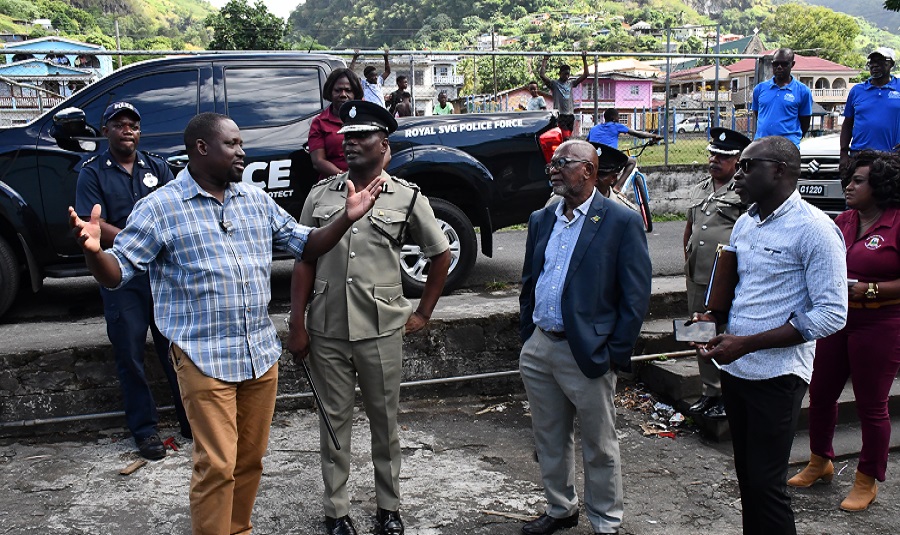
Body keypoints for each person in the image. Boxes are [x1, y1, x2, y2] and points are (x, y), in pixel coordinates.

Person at [68, 112, 387, 535]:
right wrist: (93, 252)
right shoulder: (161, 208)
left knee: (250, 460)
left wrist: (346, 218)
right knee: (217, 464)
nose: (243, 151)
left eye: (241, 144)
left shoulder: (254, 200)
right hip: (202, 357)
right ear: (202, 148)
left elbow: (306, 244)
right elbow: (118, 272)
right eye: (233, 144)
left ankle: (238, 529)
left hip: (259, 356)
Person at [288, 100, 451, 535]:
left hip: (381, 328)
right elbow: (305, 259)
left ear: (384, 144)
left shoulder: (407, 196)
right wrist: (297, 322)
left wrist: (424, 312)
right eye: (347, 135)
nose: (351, 142)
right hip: (326, 328)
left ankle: (388, 508)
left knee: (385, 422)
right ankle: (336, 511)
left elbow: (441, 255)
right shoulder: (321, 195)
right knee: (333, 424)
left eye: (362, 136)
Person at [696, 136, 847, 535]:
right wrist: (712, 317)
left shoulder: (815, 230)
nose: (739, 173)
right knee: (748, 478)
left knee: (767, 485)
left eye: (748, 166)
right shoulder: (746, 222)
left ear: (779, 171)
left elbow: (832, 314)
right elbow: (742, 289)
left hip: (777, 377)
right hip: (736, 370)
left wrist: (747, 342)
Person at [519, 139, 652, 535]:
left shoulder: (619, 221)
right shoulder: (542, 218)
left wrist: (615, 353)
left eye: (564, 163)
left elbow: (635, 295)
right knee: (549, 437)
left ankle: (606, 522)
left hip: (588, 352)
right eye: (552, 164)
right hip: (541, 346)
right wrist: (529, 335)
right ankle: (561, 509)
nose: (555, 169)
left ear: (589, 171)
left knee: (599, 445)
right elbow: (530, 281)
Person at [74, 101, 190, 461]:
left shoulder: (156, 166)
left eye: (133, 125)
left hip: (161, 274)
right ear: (105, 130)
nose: (128, 130)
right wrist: (138, 237)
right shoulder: (91, 172)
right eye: (119, 124)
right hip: (122, 277)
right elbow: (92, 222)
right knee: (130, 355)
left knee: (176, 351)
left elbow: (177, 209)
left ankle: (191, 421)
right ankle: (145, 430)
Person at [788, 150, 900, 512]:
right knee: (820, 393)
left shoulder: (898, 223)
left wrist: (871, 290)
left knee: (872, 405)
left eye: (858, 180)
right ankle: (820, 461)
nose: (848, 185)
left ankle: (867, 480)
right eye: (849, 179)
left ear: (880, 186)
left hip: (881, 323)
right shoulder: (844, 221)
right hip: (838, 320)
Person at [682, 127, 752, 420]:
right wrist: (687, 256)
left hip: (727, 277)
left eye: (723, 156)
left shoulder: (744, 191)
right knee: (699, 333)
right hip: (698, 274)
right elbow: (690, 227)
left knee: (724, 334)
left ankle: (727, 393)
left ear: (737, 161)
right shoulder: (700, 188)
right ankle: (709, 391)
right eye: (712, 154)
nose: (715, 160)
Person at [839, 48, 900, 168]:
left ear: (891, 64)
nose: (874, 65)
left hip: (892, 157)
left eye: (880, 61)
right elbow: (848, 124)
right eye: (871, 62)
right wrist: (844, 153)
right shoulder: (857, 91)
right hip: (860, 156)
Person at [310, 68, 364, 180]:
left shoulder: (368, 117)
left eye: (348, 90)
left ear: (355, 93)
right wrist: (345, 178)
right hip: (334, 185)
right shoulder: (319, 123)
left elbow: (385, 152)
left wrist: (368, 177)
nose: (343, 95)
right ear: (330, 92)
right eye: (338, 90)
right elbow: (318, 161)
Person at [751, 48, 813, 147]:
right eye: (776, 64)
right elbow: (758, 114)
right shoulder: (759, 89)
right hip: (761, 146)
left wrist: (792, 140)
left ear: (792, 64)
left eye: (784, 64)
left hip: (787, 148)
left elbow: (805, 122)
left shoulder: (803, 91)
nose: (779, 67)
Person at [539, 52, 590, 139]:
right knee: (566, 138)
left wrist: (584, 59)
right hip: (560, 115)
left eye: (568, 74)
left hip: (570, 115)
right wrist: (545, 60)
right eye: (565, 74)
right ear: (560, 74)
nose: (566, 76)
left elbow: (586, 75)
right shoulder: (554, 84)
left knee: (566, 138)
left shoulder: (571, 83)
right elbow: (542, 75)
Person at [587, 109, 662, 149]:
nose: (619, 118)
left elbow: (587, 142)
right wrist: (653, 136)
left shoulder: (594, 128)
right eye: (618, 116)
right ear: (613, 118)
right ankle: (622, 179)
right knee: (631, 162)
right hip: (610, 157)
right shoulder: (616, 126)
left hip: (594, 157)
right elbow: (638, 134)